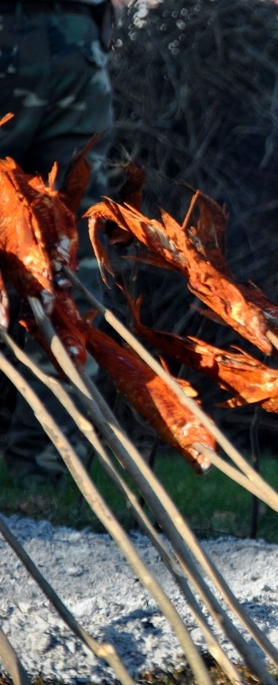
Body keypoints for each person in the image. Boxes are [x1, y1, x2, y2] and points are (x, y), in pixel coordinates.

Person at [0, 0, 114, 488]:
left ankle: (45, 465)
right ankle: (46, 466)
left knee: (67, 251)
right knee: (70, 255)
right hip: (76, 41)